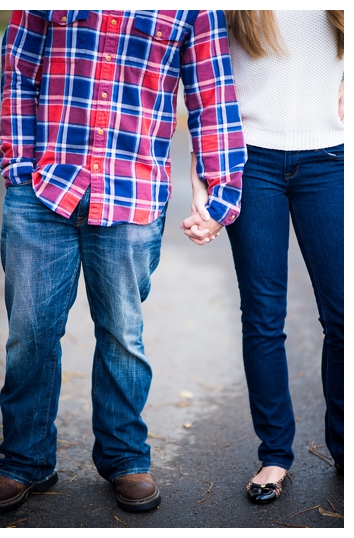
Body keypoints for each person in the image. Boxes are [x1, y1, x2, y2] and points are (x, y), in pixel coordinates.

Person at [0, 10, 246, 514]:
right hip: (43, 184)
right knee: (30, 332)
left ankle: (125, 458)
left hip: (132, 193)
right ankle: (24, 461)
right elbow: (19, 67)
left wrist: (221, 194)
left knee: (122, 333)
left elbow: (211, 95)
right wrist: (17, 163)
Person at [182, 10, 344, 504]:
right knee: (263, 316)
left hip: (332, 159)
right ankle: (275, 455)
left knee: (343, 314)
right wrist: (201, 175)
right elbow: (201, 82)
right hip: (250, 162)